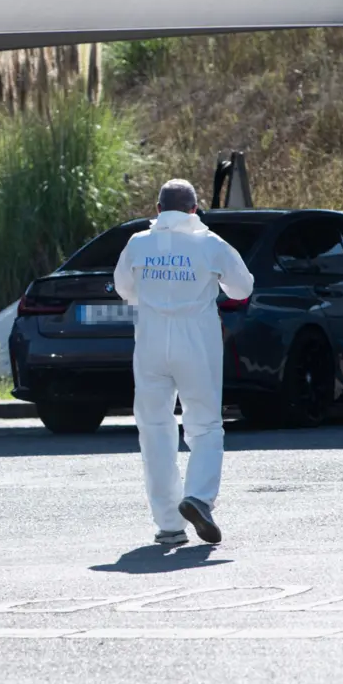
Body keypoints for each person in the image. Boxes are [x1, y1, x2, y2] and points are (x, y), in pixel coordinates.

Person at [112, 179, 254, 546]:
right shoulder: (210, 244)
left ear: (157, 210)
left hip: (150, 343)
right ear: (195, 210)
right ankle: (199, 499)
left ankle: (169, 525)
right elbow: (243, 288)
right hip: (197, 342)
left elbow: (124, 289)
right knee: (205, 425)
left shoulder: (139, 243)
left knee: (155, 429)